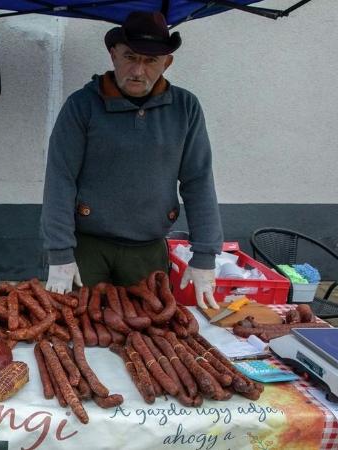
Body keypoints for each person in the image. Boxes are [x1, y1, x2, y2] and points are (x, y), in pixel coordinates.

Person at [40, 11, 222, 310]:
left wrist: (204, 255)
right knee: (77, 330)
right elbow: (61, 178)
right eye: (130, 57)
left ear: (167, 62)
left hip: (147, 250)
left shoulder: (185, 108)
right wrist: (60, 253)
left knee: (147, 336)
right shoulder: (82, 105)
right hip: (87, 246)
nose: (138, 70)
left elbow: (198, 180)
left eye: (151, 61)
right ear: (113, 55)